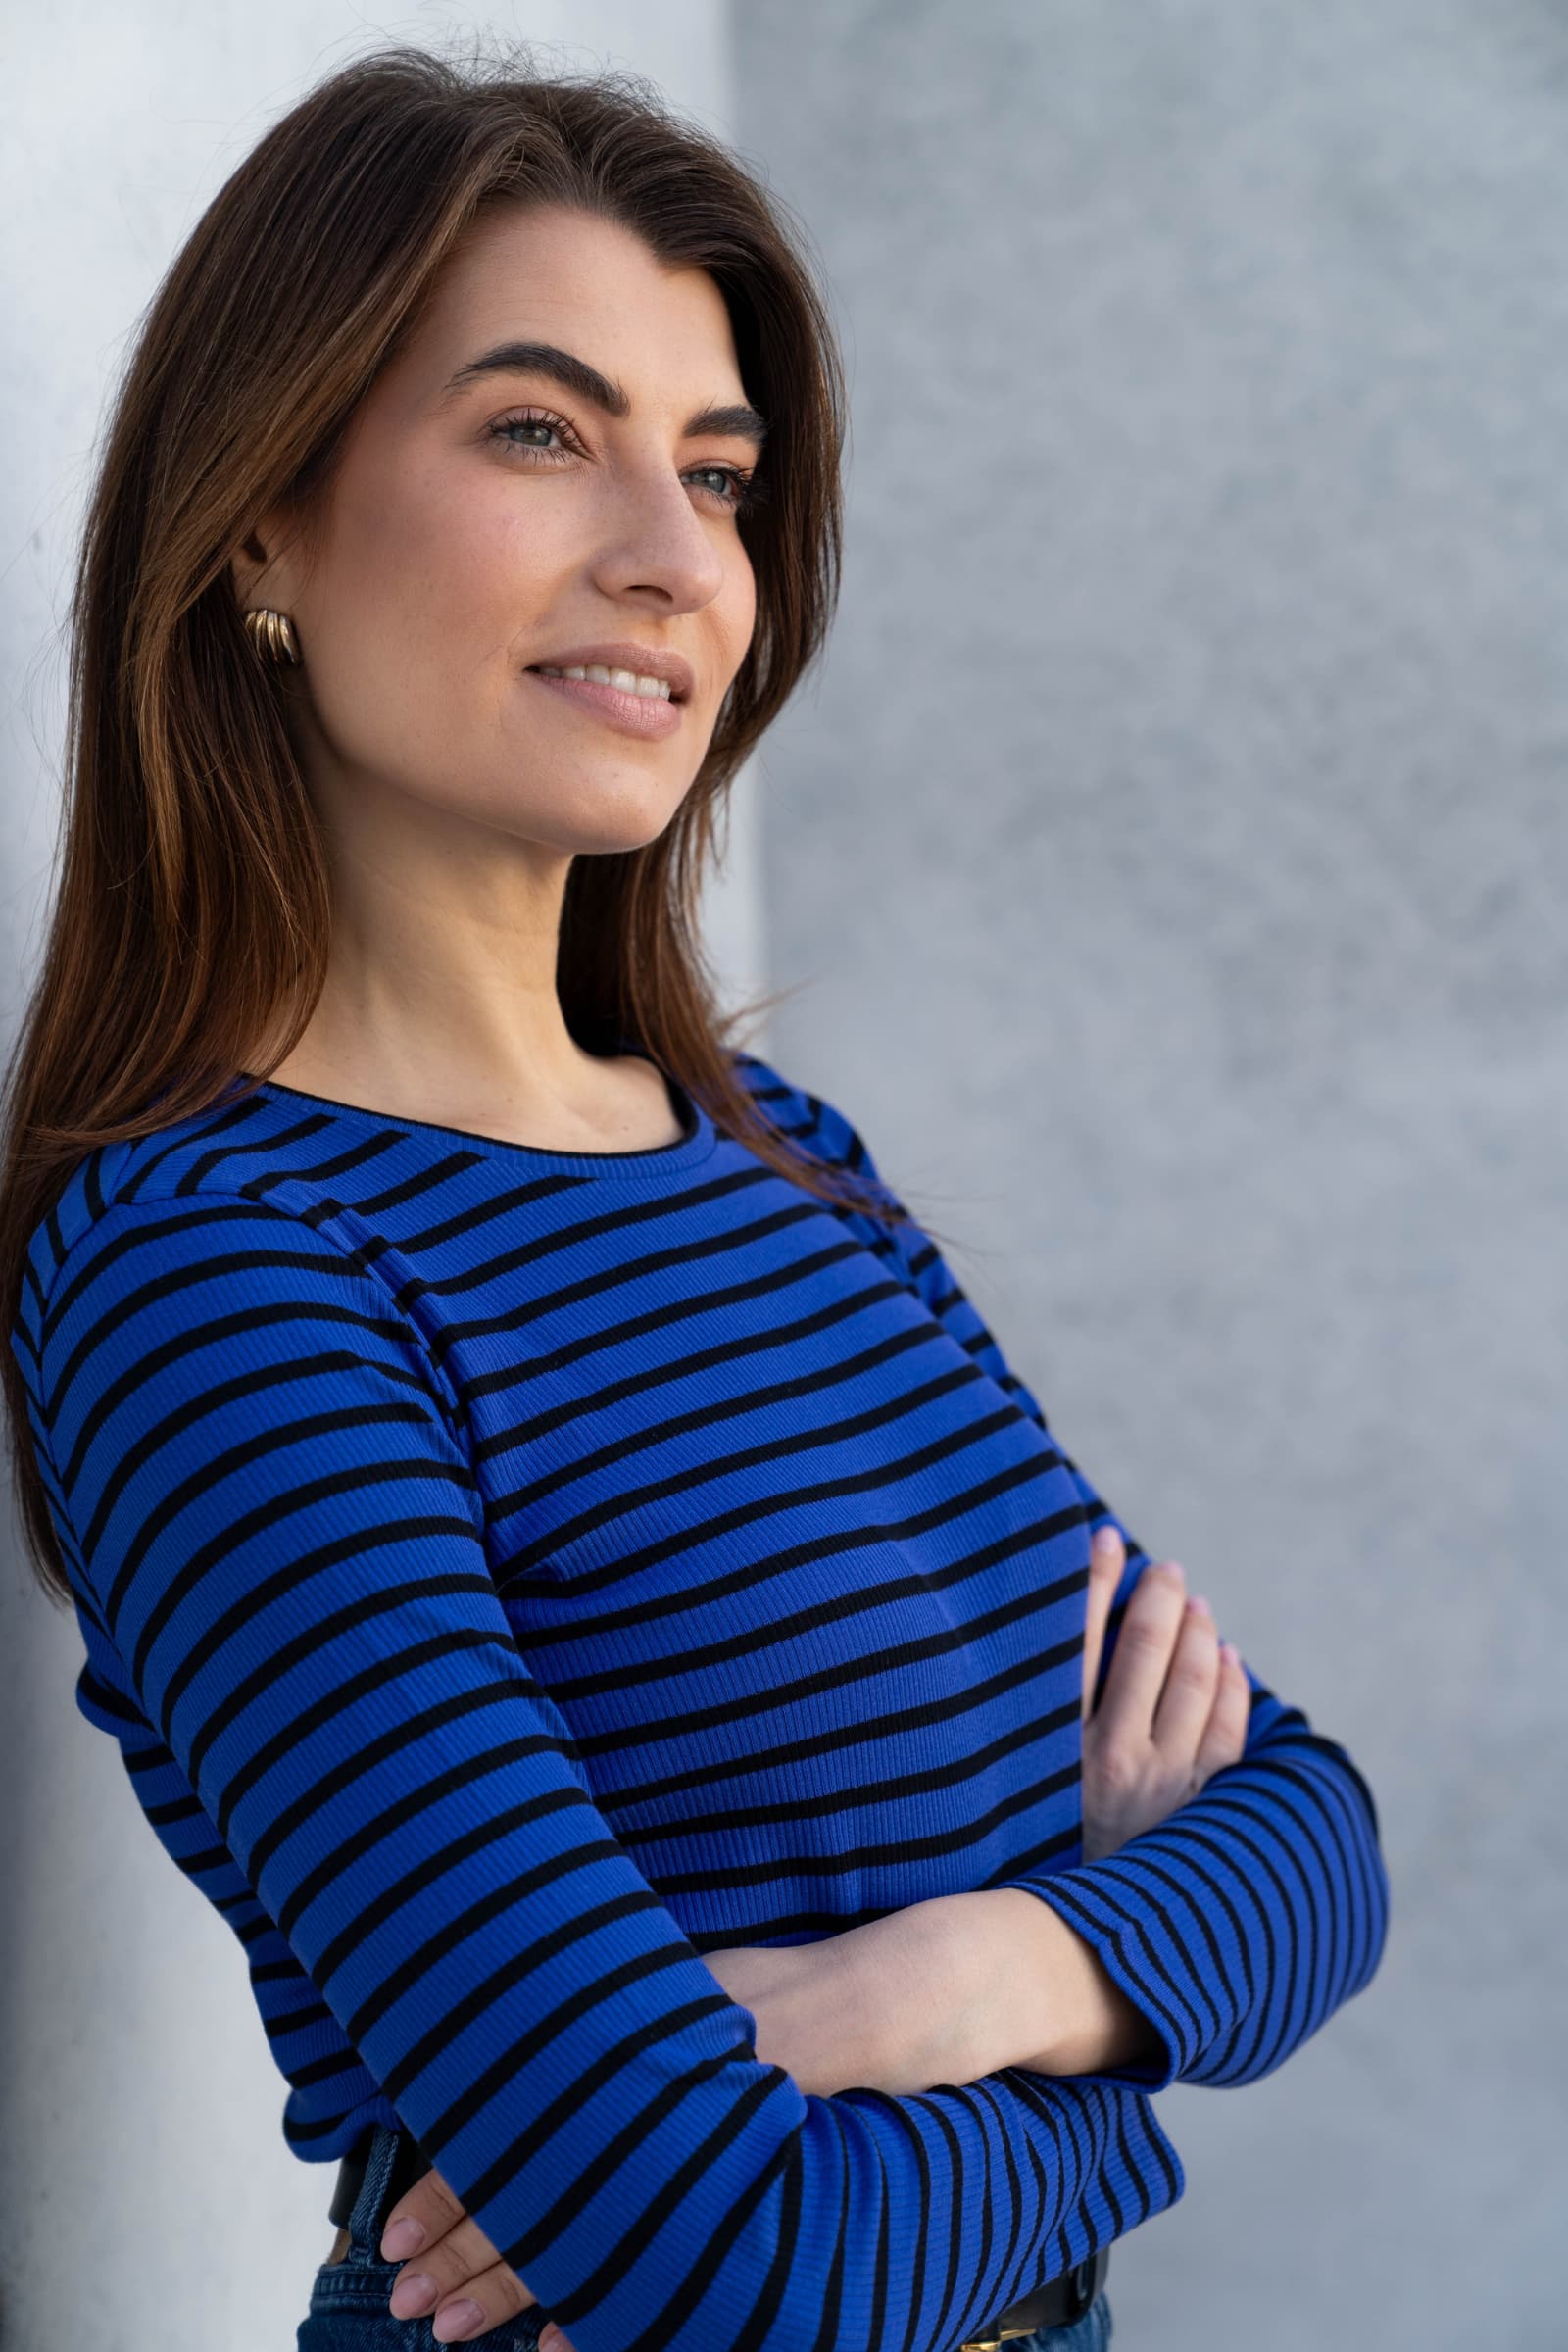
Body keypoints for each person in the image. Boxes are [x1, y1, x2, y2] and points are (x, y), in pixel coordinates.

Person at [0, 43, 1389, 2352]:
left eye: (719, 474)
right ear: (257, 518)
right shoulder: (219, 1274)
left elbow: (1313, 1838)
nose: (673, 558)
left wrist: (931, 1981)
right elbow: (722, 2254)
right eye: (539, 432)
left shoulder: (776, 1165)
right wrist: (1124, 2012)